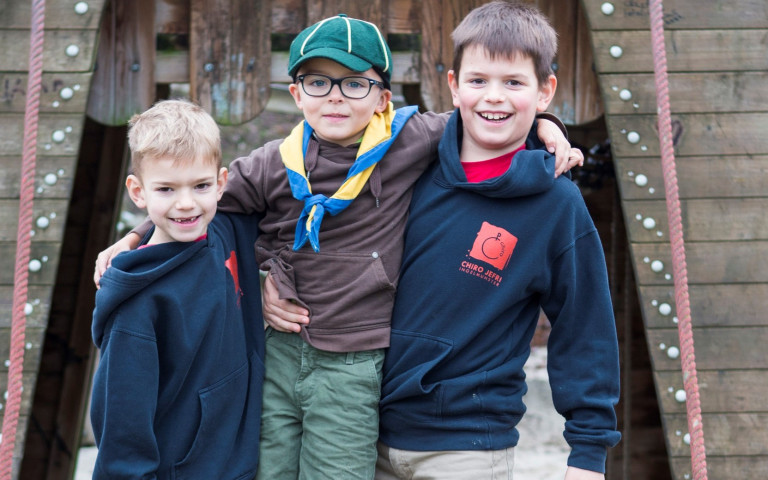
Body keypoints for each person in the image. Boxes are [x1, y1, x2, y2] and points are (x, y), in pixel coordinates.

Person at [94, 14, 579, 480]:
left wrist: (546, 123)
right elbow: (200, 206)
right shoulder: (272, 162)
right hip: (279, 352)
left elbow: (486, 112)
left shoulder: (408, 139)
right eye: (318, 82)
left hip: (354, 359)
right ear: (296, 93)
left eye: (355, 84)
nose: (336, 97)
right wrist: (135, 237)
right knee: (268, 468)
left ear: (383, 97)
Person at [265, 2, 619, 479]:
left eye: (513, 83)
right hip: (365, 429)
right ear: (453, 86)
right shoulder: (403, 163)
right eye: (478, 81)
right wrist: (267, 275)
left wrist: (588, 455)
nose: (493, 97)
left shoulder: (556, 204)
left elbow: (585, 327)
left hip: (468, 446)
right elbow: (278, 199)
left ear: (545, 90)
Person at [89, 99, 265, 480]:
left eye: (200, 186)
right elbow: (122, 427)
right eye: (166, 189)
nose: (186, 204)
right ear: (138, 192)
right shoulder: (137, 306)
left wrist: (136, 233)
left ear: (220, 183)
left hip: (237, 461)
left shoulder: (224, 229)